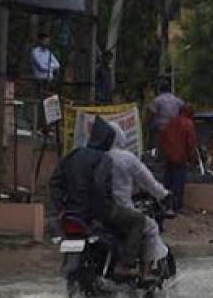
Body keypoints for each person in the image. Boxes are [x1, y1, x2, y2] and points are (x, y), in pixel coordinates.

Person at [50, 116, 144, 278]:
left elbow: (55, 182)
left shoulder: (73, 154)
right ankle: (125, 265)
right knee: (138, 220)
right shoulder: (103, 158)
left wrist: (61, 207)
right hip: (98, 213)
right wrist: (101, 211)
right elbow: (100, 186)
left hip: (71, 213)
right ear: (106, 140)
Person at [108, 122, 171, 270]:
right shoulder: (126, 158)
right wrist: (164, 195)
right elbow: (148, 182)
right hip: (120, 208)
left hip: (92, 210)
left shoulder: (95, 156)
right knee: (150, 227)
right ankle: (144, 271)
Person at [158, 104, 199, 211]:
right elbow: (191, 143)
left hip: (168, 157)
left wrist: (163, 154)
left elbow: (162, 138)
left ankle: (164, 205)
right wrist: (192, 159)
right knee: (178, 184)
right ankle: (176, 207)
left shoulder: (171, 122)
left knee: (167, 182)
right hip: (180, 158)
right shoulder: (188, 124)